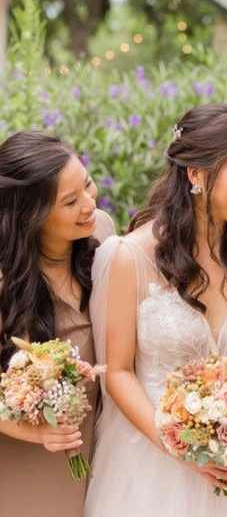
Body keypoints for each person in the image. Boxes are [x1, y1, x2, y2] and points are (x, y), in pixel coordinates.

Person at [84, 105, 227, 517]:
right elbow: (118, 372)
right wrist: (179, 445)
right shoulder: (131, 256)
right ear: (196, 174)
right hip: (152, 465)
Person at [0, 131, 114, 517]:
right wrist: (36, 431)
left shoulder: (103, 233)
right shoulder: (6, 282)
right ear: (31, 215)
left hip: (101, 449)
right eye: (70, 201)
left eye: (87, 184)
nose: (89, 204)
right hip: (29, 463)